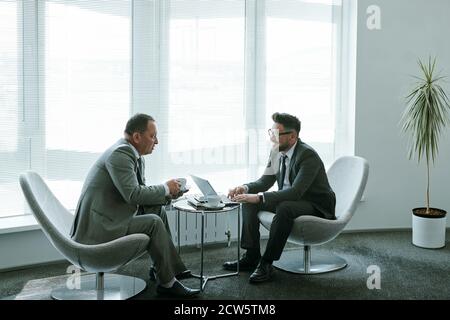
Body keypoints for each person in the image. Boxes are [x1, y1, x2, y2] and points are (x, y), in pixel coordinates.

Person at [70, 113, 200, 297]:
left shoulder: (132, 153)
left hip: (109, 216)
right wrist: (164, 188)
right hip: (98, 229)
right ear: (137, 137)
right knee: (153, 222)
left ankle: (163, 269)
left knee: (158, 210)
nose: (157, 142)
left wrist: (170, 193)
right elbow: (132, 195)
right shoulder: (120, 154)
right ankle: (168, 283)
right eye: (152, 136)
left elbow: (140, 193)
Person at [224, 112, 336, 283]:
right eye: (271, 133)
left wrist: (260, 198)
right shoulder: (276, 151)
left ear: (292, 136)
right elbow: (265, 181)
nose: (271, 138)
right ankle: (252, 256)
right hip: (289, 200)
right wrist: (245, 188)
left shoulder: (308, 156)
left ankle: (267, 263)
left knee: (284, 207)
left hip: (315, 204)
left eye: (276, 134)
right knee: (248, 202)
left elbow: (296, 192)